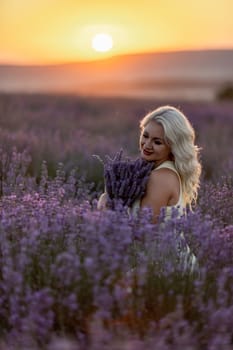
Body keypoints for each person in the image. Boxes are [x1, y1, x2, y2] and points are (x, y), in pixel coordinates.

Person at [98, 105, 202, 224]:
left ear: (173, 147)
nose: (147, 145)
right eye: (145, 136)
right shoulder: (161, 170)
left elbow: (143, 233)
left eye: (157, 142)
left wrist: (105, 206)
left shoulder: (161, 177)